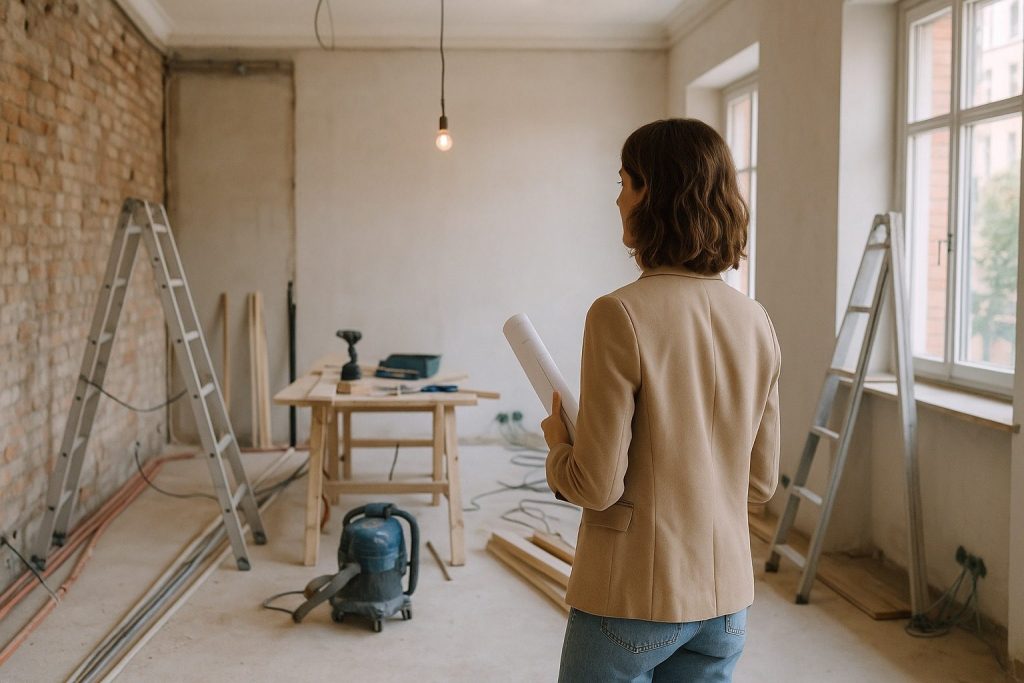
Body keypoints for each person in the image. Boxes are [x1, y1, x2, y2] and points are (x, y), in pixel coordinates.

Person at [541, 118, 781, 683]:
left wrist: (559, 450)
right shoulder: (756, 320)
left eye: (625, 182)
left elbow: (597, 486)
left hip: (631, 598)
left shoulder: (618, 314)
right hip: (726, 604)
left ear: (654, 193)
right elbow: (760, 484)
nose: (618, 199)